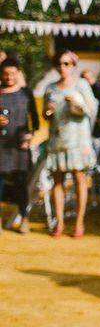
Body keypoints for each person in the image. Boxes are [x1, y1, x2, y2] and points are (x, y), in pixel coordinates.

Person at [43, 49, 98, 238]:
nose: (62, 67)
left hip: (78, 140)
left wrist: (76, 103)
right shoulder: (50, 88)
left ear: (73, 65)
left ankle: (79, 223)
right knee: (57, 181)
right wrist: (47, 110)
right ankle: (59, 222)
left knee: (79, 179)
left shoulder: (81, 85)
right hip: (58, 139)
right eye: (59, 63)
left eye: (66, 63)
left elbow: (91, 109)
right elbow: (45, 116)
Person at [0, 57, 39, 234]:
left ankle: (24, 218)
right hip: (1, 145)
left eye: (12, 74)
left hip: (19, 146)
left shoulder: (26, 93)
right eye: (6, 74)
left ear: (18, 73)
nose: (9, 77)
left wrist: (29, 136)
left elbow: (35, 121)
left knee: (20, 184)